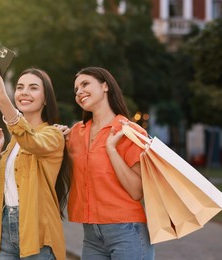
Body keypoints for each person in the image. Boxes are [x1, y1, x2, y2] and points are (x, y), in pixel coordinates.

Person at [57, 67, 155, 259]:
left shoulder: (130, 131)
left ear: (105, 86)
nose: (79, 92)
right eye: (76, 89)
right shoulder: (77, 132)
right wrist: (55, 138)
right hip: (92, 236)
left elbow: (137, 191)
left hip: (128, 231)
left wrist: (111, 149)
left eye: (85, 84)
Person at [0, 61, 70, 260]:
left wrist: (1, 97)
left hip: (38, 235)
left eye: (33, 88)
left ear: (46, 99)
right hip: (4, 232)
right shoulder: (13, 143)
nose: (24, 92)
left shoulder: (53, 135)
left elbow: (32, 141)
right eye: (20, 87)